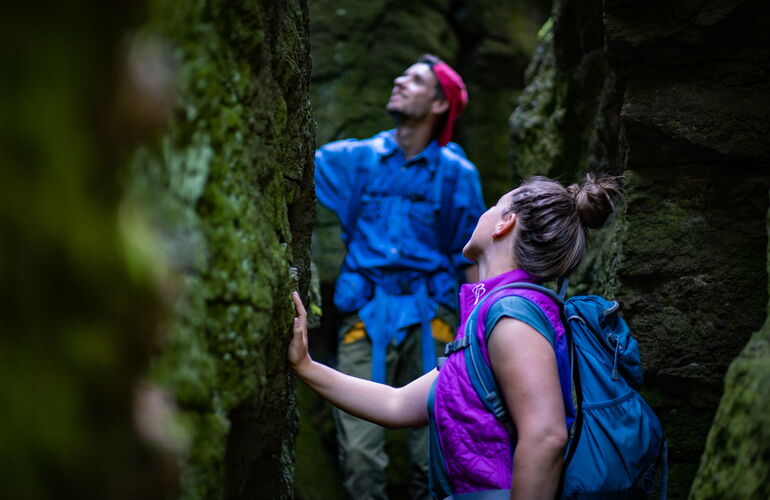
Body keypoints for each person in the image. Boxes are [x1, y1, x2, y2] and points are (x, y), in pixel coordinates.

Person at [292, 174, 622, 499]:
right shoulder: (489, 316)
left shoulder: (512, 314)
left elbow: (546, 436)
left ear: (504, 224)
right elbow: (396, 404)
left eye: (494, 206)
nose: (484, 212)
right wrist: (305, 365)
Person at [314, 54, 485, 499]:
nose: (399, 80)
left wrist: (474, 330)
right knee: (358, 451)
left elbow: (471, 253)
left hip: (436, 318)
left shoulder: (458, 176)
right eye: (402, 73)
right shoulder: (354, 160)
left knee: (434, 450)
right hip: (365, 314)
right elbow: (288, 159)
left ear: (440, 104)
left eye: (415, 79)